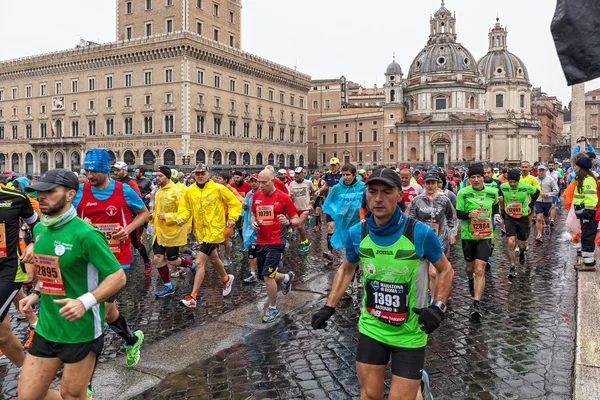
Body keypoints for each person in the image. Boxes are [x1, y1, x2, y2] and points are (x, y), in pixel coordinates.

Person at [311, 167, 453, 400]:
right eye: (373, 191)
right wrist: (329, 306)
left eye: (387, 192)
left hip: (409, 333)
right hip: (372, 327)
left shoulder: (419, 233)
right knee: (369, 396)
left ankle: (419, 387)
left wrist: (438, 306)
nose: (378, 198)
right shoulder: (358, 233)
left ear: (400, 195)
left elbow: (445, 269)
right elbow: (347, 269)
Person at [18, 168, 126, 400]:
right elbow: (50, 271)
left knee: (73, 395)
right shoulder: (39, 229)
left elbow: (118, 276)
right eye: (39, 192)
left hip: (81, 331)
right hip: (47, 327)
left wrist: (84, 302)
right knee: (28, 396)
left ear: (70, 195)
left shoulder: (86, 234)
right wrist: (35, 294)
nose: (41, 197)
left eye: (50, 192)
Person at [75, 149, 147, 367]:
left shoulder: (124, 190)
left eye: (94, 171)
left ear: (105, 170)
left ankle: (84, 376)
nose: (89, 176)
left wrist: (128, 229)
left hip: (117, 260)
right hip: (87, 258)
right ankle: (132, 340)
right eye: (87, 171)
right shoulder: (78, 191)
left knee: (97, 310)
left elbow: (144, 213)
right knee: (109, 312)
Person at [177, 163, 241, 308]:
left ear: (208, 174)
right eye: (197, 173)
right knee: (213, 258)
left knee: (199, 263)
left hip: (215, 231)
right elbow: (185, 208)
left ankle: (193, 297)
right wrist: (182, 217)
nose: (199, 176)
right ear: (193, 175)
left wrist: (232, 219)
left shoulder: (218, 188)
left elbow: (234, 203)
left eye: (202, 173)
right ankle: (226, 278)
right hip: (202, 232)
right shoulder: (189, 191)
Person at [251, 169, 299, 323]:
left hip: (277, 241)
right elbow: (253, 214)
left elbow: (296, 219)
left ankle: (273, 309)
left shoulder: (283, 197)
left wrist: (289, 222)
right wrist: (252, 222)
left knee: (267, 276)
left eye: (264, 182)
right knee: (264, 276)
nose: (260, 185)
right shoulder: (257, 196)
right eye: (259, 182)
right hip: (261, 241)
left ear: (273, 181)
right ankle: (286, 277)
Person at [0, 178, 38, 367]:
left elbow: (37, 224)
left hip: (8, 270)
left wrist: (32, 243)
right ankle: (29, 373)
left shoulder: (15, 198)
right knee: (3, 334)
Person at [456, 163, 501, 319]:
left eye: (478, 177)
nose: (476, 180)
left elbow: (495, 206)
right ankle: (470, 280)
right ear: (469, 179)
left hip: (485, 235)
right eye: (473, 177)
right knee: (469, 268)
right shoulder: (463, 193)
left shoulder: (492, 192)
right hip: (468, 236)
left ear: (483, 177)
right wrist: (468, 214)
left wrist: (496, 216)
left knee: (480, 269)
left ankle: (476, 303)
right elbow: (458, 213)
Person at [409, 171, 457, 300]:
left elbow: (451, 218)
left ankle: (435, 300)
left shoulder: (444, 201)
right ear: (424, 184)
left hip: (439, 240)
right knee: (421, 271)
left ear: (437, 184)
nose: (431, 186)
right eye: (428, 183)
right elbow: (411, 220)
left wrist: (452, 233)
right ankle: (425, 296)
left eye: (433, 183)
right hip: (421, 239)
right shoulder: (416, 201)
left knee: (433, 272)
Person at [150, 167, 190, 297]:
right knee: (158, 258)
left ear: (167, 177)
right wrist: (152, 216)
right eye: (156, 176)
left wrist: (168, 217)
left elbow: (185, 211)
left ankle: (192, 265)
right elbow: (158, 211)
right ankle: (168, 286)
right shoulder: (158, 192)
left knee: (173, 260)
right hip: (159, 232)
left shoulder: (177, 192)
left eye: (160, 176)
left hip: (173, 232)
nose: (157, 178)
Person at [113, 161, 152, 274]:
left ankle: (146, 261)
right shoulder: (114, 182)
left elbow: (138, 200)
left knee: (136, 243)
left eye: (118, 170)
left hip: (133, 217)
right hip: (119, 216)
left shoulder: (131, 183)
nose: (115, 172)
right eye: (114, 170)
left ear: (125, 170)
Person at [500, 169, 540, 277]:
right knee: (510, 242)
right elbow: (500, 197)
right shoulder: (503, 187)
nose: (512, 184)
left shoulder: (525, 187)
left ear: (518, 181)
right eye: (510, 182)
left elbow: (537, 192)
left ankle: (522, 252)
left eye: (514, 182)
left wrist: (531, 205)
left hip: (522, 217)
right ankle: (512, 266)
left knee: (522, 244)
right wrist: (502, 209)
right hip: (510, 217)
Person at [322, 164, 366, 258]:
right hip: (344, 221)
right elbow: (328, 204)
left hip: (359, 220)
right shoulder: (337, 188)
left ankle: (358, 266)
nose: (345, 177)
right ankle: (355, 268)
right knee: (349, 245)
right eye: (343, 175)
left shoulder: (362, 187)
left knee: (359, 245)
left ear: (354, 175)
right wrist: (336, 213)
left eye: (348, 175)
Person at [572, 157, 598, 271]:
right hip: (584, 213)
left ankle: (589, 264)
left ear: (581, 167)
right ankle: (587, 261)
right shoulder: (582, 179)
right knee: (586, 236)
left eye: (576, 166)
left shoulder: (587, 180)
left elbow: (591, 197)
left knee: (588, 237)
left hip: (588, 214)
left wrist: (588, 212)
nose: (574, 168)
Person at [316, 158, 343, 255]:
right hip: (330, 204)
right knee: (330, 227)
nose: (333, 167)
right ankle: (329, 252)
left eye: (334, 165)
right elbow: (327, 185)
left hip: (340, 205)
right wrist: (320, 190)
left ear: (338, 165)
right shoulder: (328, 175)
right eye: (331, 165)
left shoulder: (342, 176)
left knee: (339, 227)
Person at [288, 167, 315, 252]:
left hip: (306, 207)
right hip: (296, 208)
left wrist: (313, 199)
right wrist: (290, 196)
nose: (297, 175)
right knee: (294, 225)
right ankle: (305, 241)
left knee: (300, 225)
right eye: (296, 174)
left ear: (302, 174)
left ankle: (304, 243)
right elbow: (289, 195)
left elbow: (315, 191)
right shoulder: (292, 184)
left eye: (299, 174)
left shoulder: (308, 183)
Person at [242, 174, 260, 284]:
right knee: (250, 247)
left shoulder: (263, 194)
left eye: (255, 181)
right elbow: (244, 204)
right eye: (251, 181)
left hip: (261, 225)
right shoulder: (249, 194)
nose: (253, 183)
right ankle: (253, 273)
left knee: (256, 247)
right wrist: (244, 206)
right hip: (249, 224)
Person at [535, 165, 559, 242]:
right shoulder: (535, 180)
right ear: (537, 171)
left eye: (542, 170)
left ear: (545, 171)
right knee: (539, 218)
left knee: (546, 218)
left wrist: (548, 194)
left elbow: (556, 190)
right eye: (539, 170)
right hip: (538, 201)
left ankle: (547, 225)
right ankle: (539, 234)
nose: (541, 172)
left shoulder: (550, 180)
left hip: (547, 202)